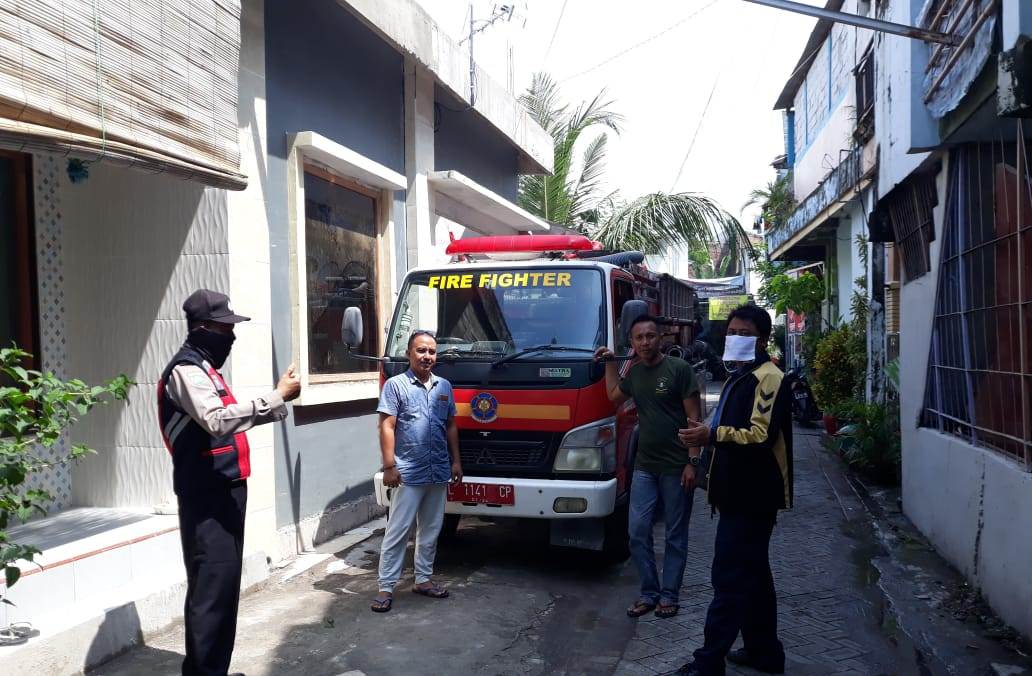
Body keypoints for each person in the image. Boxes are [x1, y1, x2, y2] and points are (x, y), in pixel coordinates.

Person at [157, 289, 301, 676]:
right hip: (206, 497)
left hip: (224, 493)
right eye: (225, 328)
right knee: (210, 590)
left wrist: (276, 399)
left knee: (222, 589)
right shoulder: (187, 371)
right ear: (202, 328)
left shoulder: (205, 369)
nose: (232, 336)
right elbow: (218, 420)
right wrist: (275, 397)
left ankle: (213, 670)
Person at [667, 303, 793, 676]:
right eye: (732, 333)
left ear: (762, 339)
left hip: (753, 496)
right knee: (754, 576)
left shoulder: (769, 378)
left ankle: (708, 662)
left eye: (745, 334)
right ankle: (764, 652)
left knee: (730, 578)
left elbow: (760, 435)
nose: (735, 338)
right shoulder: (741, 375)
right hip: (736, 492)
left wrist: (711, 435)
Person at [594, 315, 702, 620]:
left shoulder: (679, 370)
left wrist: (692, 462)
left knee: (675, 534)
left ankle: (669, 595)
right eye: (639, 338)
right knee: (638, 531)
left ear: (660, 338)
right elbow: (614, 397)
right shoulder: (636, 373)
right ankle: (649, 592)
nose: (645, 342)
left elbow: (695, 420)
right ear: (632, 342)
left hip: (677, 467)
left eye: (650, 336)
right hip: (645, 467)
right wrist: (610, 362)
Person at [371, 330, 463, 613]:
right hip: (408, 472)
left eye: (432, 352)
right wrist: (389, 466)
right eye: (421, 350)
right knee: (398, 531)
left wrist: (456, 461)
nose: (427, 356)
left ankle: (423, 580)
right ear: (409, 353)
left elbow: (450, 425)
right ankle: (386, 587)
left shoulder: (444, 386)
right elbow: (386, 426)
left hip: (438, 470)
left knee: (431, 530)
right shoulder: (396, 386)